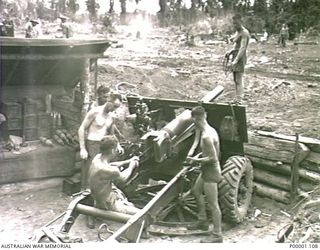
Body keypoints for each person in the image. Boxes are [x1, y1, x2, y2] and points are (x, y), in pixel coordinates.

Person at [186, 106, 223, 243]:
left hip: (211, 172)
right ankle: (202, 221)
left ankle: (217, 235)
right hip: (206, 170)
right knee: (196, 191)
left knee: (213, 205)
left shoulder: (207, 136)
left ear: (196, 119)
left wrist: (195, 160)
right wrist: (200, 156)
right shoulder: (210, 130)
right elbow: (210, 153)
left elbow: (213, 158)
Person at [78, 98, 124, 191]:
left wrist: (118, 145)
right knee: (91, 169)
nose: (114, 109)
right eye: (114, 106)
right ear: (109, 101)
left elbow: (112, 133)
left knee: (105, 167)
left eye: (117, 107)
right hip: (92, 144)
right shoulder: (95, 112)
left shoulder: (111, 116)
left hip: (103, 144)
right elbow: (82, 128)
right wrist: (82, 148)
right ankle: (85, 192)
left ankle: (102, 191)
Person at [87, 135, 140, 215]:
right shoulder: (111, 171)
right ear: (112, 150)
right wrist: (131, 166)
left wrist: (128, 161)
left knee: (123, 198)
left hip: (98, 195)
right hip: (107, 203)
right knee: (140, 213)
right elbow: (123, 178)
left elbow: (110, 164)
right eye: (117, 147)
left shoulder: (97, 158)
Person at [225, 14, 250, 101]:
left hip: (240, 57)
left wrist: (236, 60)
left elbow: (242, 48)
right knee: (235, 79)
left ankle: (239, 98)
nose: (235, 25)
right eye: (234, 24)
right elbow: (236, 46)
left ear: (241, 22)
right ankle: (238, 97)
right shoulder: (238, 32)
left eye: (236, 23)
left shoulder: (244, 33)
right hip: (235, 56)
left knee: (239, 78)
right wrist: (230, 51)